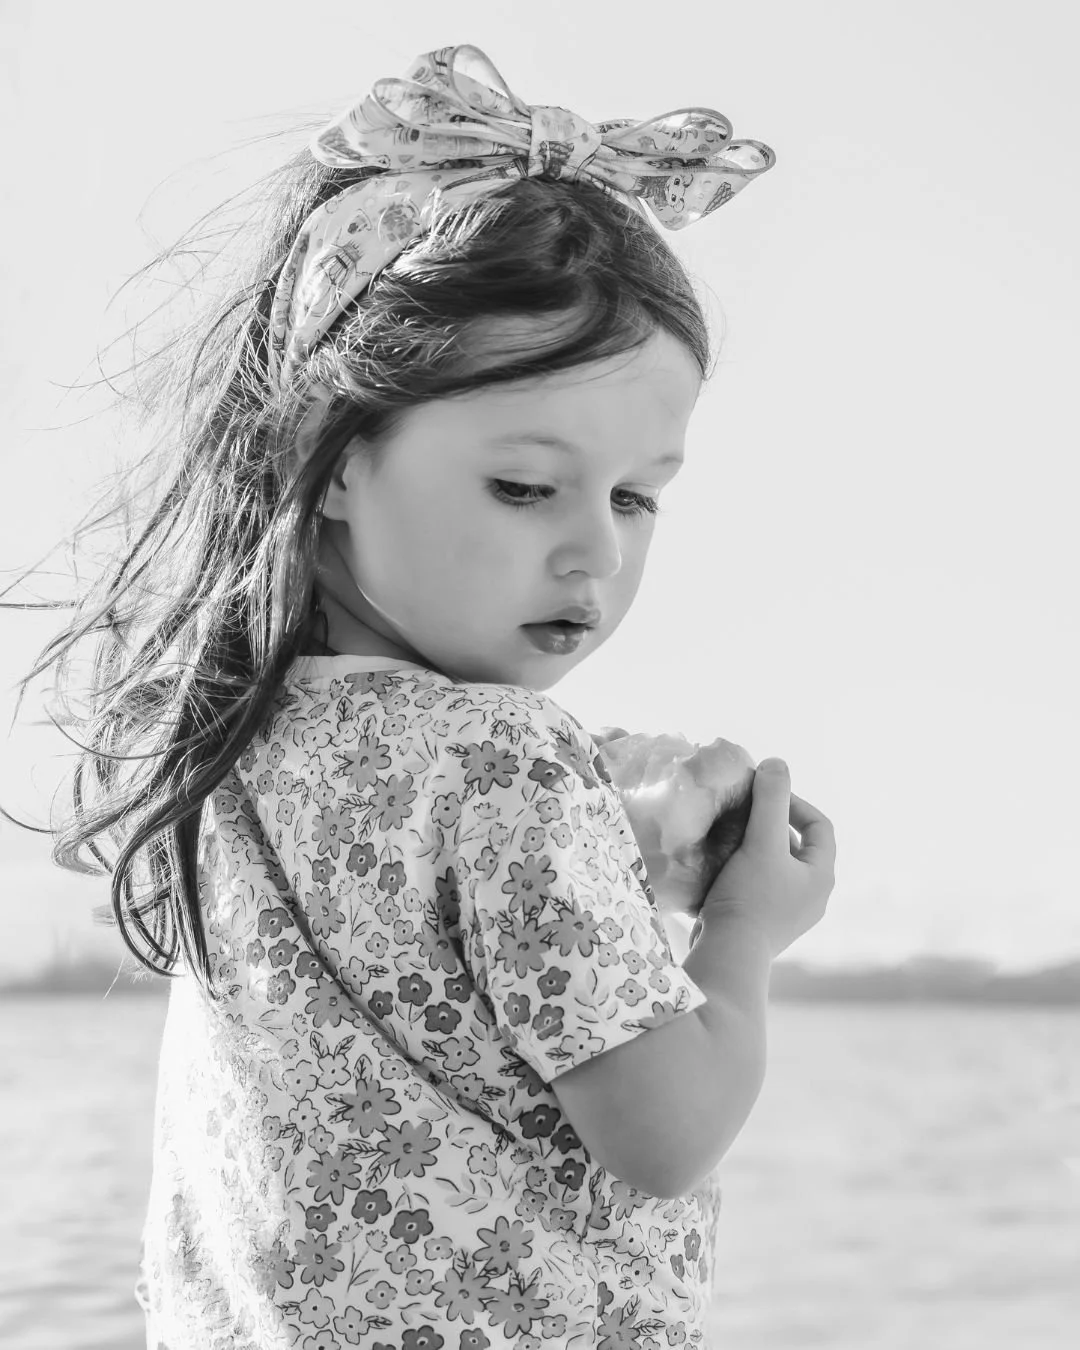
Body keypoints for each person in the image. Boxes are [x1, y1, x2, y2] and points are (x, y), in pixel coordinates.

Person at [12, 44, 836, 1350]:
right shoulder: (508, 762)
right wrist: (741, 930)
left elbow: (417, 963)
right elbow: (664, 1129)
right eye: (525, 486)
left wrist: (623, 837)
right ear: (329, 456)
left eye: (635, 495)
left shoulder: (232, 739)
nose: (594, 551)